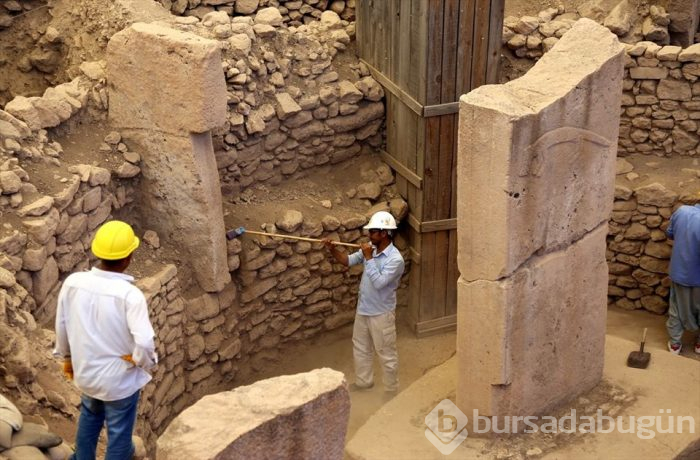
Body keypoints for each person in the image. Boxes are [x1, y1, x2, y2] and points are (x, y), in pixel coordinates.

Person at [54, 220, 157, 460]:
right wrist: (142, 363)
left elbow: (62, 324)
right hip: (119, 380)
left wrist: (66, 358)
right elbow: (143, 342)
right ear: (129, 257)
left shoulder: (73, 283)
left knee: (90, 416)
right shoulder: (130, 296)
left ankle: (82, 458)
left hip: (87, 372)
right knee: (119, 432)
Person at [323, 211, 405, 393]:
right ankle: (364, 382)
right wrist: (332, 249)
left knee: (386, 354)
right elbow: (347, 261)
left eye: (372, 232)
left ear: (384, 233)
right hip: (364, 310)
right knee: (361, 348)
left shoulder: (395, 260)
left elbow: (379, 283)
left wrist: (368, 258)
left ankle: (392, 390)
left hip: (381, 314)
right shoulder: (371, 248)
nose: (369, 236)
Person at [665, 204, 700, 355]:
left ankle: (674, 345)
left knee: (676, 308)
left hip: (679, 273)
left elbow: (670, 233)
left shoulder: (681, 211)